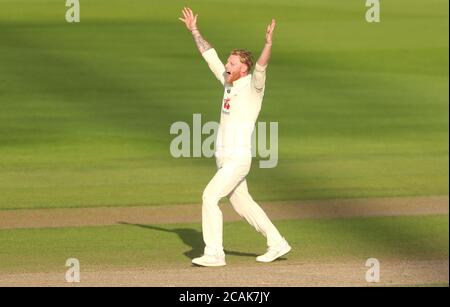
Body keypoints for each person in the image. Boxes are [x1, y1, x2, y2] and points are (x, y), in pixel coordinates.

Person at [179, 7, 291, 267]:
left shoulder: (253, 88)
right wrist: (194, 30)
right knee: (243, 205)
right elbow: (210, 57)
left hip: (238, 159)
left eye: (232, 64)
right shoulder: (228, 82)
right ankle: (277, 242)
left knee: (209, 197)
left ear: (243, 68)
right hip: (224, 158)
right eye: (228, 63)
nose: (227, 66)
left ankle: (215, 253)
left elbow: (262, 67)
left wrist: (268, 43)